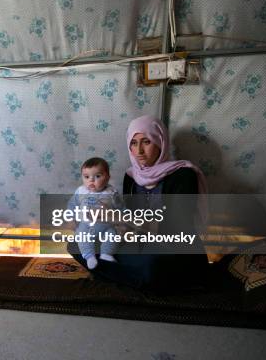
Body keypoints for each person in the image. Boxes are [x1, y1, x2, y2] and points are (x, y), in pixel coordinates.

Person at [68, 115, 210, 292]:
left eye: (146, 142)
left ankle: (130, 277)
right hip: (141, 243)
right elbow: (128, 221)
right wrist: (107, 222)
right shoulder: (132, 176)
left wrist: (121, 218)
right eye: (134, 143)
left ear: (160, 142)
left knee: (151, 265)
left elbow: (177, 227)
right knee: (76, 244)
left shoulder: (183, 175)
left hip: (174, 247)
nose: (139, 151)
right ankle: (140, 279)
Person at [68, 157, 123, 269]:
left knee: (113, 234)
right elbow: (72, 206)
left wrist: (121, 222)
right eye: (86, 177)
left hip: (107, 224)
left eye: (97, 176)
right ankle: (89, 256)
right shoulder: (80, 191)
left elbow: (120, 208)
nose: (91, 180)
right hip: (86, 225)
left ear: (107, 177)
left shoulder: (112, 192)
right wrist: (71, 219)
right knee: (81, 236)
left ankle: (106, 254)